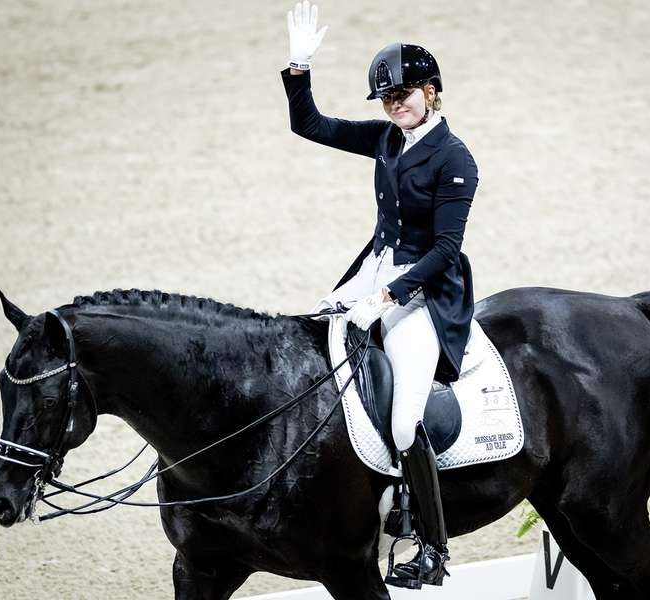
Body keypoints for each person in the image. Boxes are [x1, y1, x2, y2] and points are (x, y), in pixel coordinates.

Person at [281, 1, 478, 588]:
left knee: (403, 419)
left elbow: (446, 250)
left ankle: (431, 547)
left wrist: (387, 300)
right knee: (312, 348)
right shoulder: (388, 140)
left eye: (406, 94)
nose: (396, 105)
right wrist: (298, 68)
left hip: (424, 288)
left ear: (432, 91)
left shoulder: (455, 159)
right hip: (374, 268)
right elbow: (310, 125)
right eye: (388, 99)